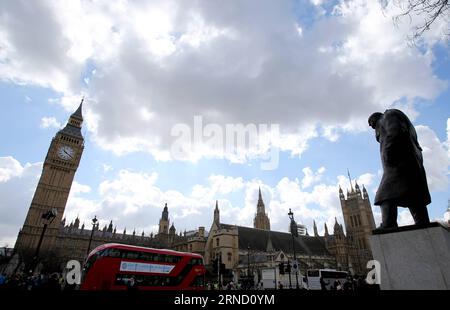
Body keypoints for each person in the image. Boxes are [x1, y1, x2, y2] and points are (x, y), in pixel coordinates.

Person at [368, 109, 431, 229]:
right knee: (413, 193)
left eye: (372, 125)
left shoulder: (389, 115)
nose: (373, 128)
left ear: (375, 119)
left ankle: (388, 224)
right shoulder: (398, 118)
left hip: (397, 162)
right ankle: (422, 221)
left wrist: (388, 153)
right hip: (409, 162)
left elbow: (394, 131)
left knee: (384, 195)